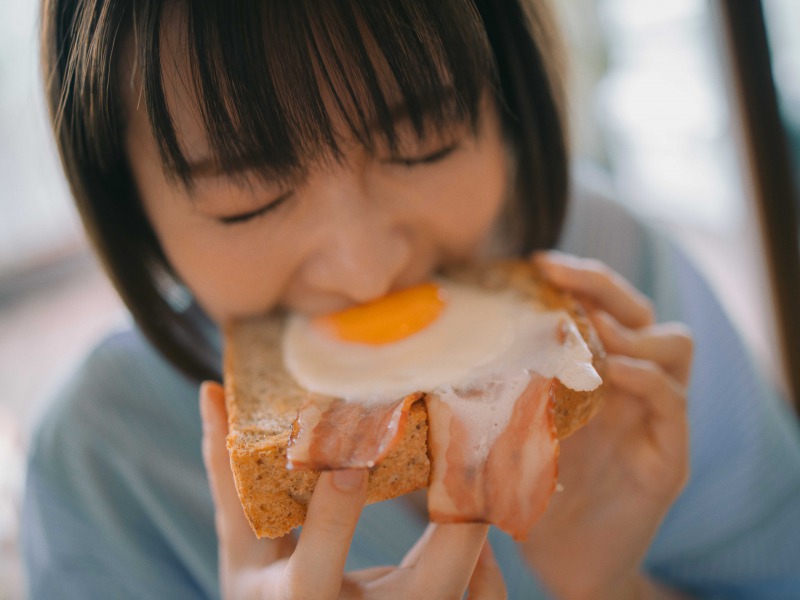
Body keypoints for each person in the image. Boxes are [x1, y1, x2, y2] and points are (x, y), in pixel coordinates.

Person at [23, 0, 800, 598]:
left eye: (423, 141)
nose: (364, 271)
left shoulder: (614, 276)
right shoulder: (103, 461)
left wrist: (607, 586)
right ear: (134, 219)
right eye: (248, 202)